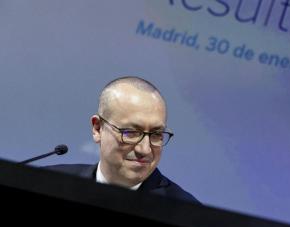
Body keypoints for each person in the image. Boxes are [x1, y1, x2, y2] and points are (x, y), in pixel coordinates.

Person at [46, 76, 199, 203]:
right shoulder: (49, 185)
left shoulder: (188, 213)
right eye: (131, 132)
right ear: (98, 128)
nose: (144, 149)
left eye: (156, 134)